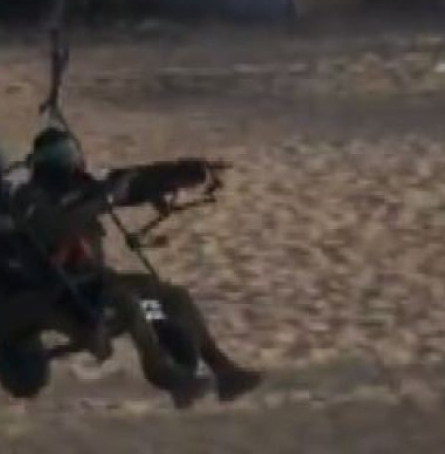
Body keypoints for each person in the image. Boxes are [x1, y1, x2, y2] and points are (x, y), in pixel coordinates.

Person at [18, 127, 263, 405]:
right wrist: (104, 198)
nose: (74, 162)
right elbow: (56, 221)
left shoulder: (83, 187)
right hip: (63, 292)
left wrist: (187, 172)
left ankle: (221, 368)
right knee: (133, 302)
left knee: (171, 297)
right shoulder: (30, 196)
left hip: (97, 283)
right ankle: (168, 376)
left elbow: (136, 181)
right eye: (66, 156)